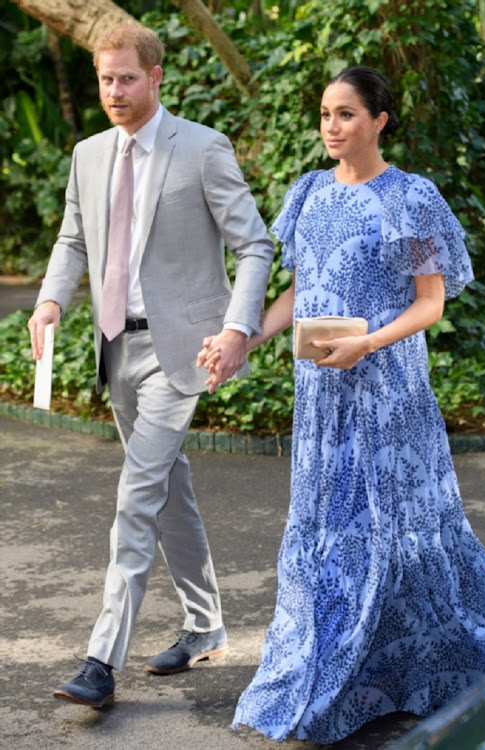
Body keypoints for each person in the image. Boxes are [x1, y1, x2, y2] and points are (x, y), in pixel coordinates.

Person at [199, 66, 485, 743]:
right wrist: (244, 338)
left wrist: (369, 344)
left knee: (398, 526)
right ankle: (337, 675)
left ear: (379, 120)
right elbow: (300, 292)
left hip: (387, 391)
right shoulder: (308, 194)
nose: (330, 125)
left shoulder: (410, 197)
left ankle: (427, 667)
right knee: (330, 527)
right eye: (324, 113)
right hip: (320, 395)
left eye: (345, 113)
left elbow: (430, 303)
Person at [28, 21, 274, 708]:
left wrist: (235, 329)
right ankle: (204, 625)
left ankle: (100, 660)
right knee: (170, 493)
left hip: (183, 354)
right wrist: (50, 303)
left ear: (156, 76)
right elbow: (73, 239)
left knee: (136, 497)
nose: (113, 91)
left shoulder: (201, 148)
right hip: (116, 347)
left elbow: (254, 246)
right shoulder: (88, 155)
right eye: (105, 79)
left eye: (126, 78)